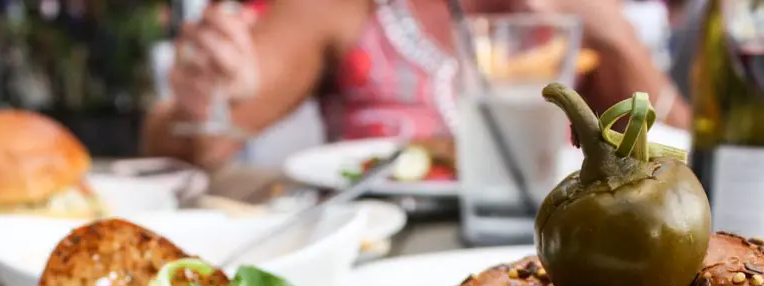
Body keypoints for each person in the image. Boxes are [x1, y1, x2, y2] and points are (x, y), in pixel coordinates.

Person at [144, 0, 691, 169]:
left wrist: (615, 37)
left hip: (555, 267)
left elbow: (682, 156)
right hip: (377, 264)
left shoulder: (570, 11)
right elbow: (201, 141)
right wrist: (202, 102)